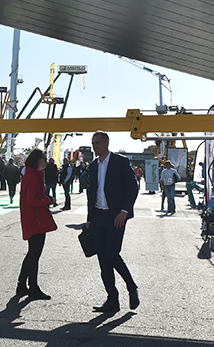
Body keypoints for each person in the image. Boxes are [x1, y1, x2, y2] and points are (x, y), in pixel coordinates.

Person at [86, 131, 140, 314]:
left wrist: (124, 211)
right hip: (98, 217)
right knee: (103, 261)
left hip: (116, 216)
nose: (95, 147)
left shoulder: (120, 162)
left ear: (107, 142)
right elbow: (91, 193)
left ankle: (132, 287)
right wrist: (89, 219)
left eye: (98, 143)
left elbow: (133, 187)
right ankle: (112, 300)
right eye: (93, 143)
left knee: (112, 255)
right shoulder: (93, 166)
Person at [16, 148, 56, 300]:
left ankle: (22, 285)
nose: (46, 161)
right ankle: (32, 287)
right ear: (37, 160)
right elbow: (31, 200)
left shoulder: (32, 174)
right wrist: (48, 200)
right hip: (35, 219)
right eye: (44, 158)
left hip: (33, 218)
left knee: (32, 253)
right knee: (34, 254)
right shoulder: (33, 176)